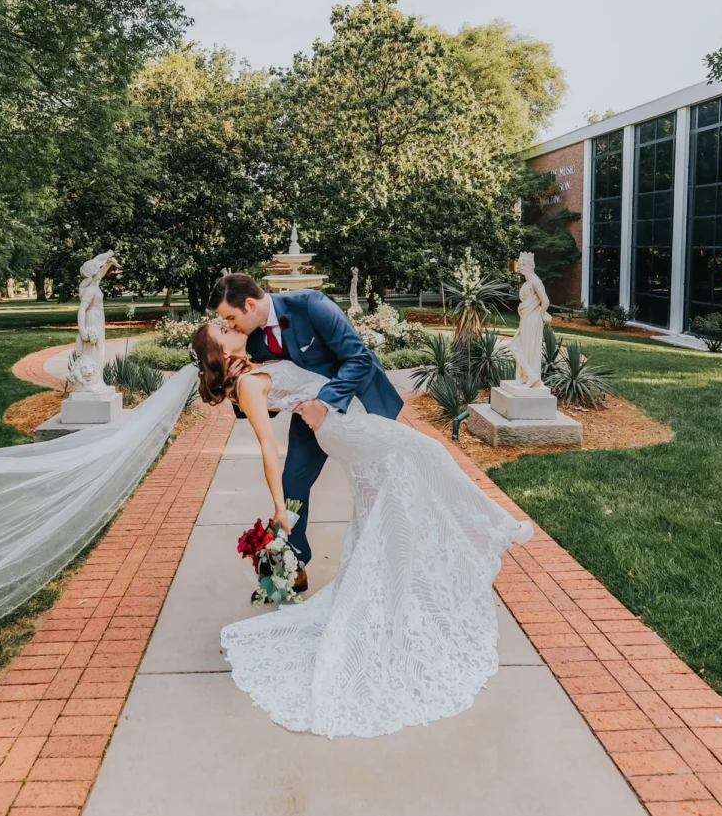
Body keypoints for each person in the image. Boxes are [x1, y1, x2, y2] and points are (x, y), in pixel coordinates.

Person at [191, 318, 531, 738]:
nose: (229, 325)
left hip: (340, 419)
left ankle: (399, 583)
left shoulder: (255, 367)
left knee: (384, 507)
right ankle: (496, 526)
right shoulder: (247, 387)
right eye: (221, 330)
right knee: (427, 450)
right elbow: (266, 446)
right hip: (342, 429)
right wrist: (279, 506)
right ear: (220, 353)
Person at [208, 273, 402, 591]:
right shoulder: (254, 339)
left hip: (358, 407)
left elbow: (359, 358)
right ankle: (293, 563)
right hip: (308, 416)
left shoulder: (312, 305)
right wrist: (235, 385)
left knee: (378, 485)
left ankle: (390, 559)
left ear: (249, 304)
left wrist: (324, 403)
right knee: (293, 483)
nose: (231, 325)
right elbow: (275, 390)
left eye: (230, 317)